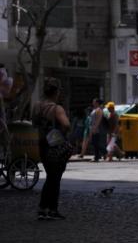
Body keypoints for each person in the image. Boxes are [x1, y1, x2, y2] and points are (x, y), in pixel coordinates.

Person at [32, 77, 71, 220]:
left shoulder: (37, 106)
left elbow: (34, 123)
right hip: (55, 145)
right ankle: (51, 209)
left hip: (42, 143)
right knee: (55, 178)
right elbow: (66, 125)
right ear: (56, 92)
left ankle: (44, 208)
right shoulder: (56, 108)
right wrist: (61, 134)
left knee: (50, 176)